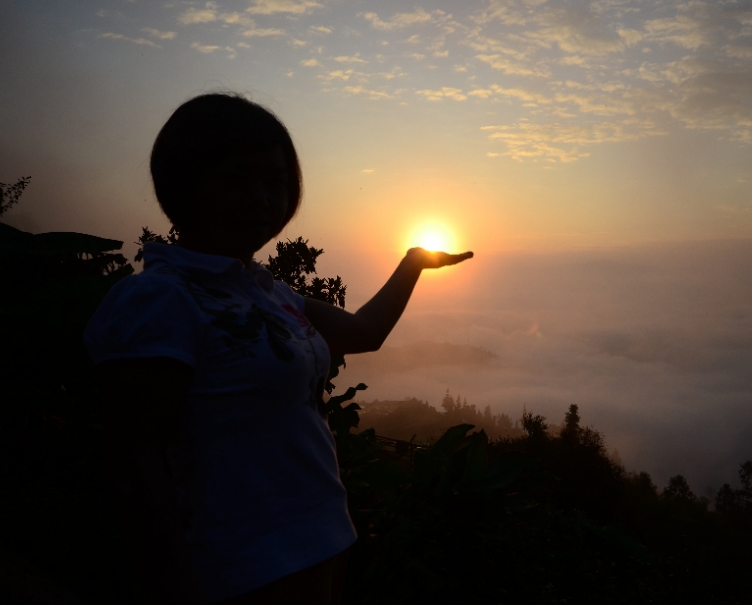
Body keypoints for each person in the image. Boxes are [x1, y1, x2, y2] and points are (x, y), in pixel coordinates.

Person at [84, 93, 472, 604]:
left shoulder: (267, 291)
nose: (261, 197)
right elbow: (136, 463)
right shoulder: (159, 298)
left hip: (323, 544)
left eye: (276, 182)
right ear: (184, 183)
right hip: (242, 568)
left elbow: (363, 333)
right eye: (235, 178)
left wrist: (412, 264)